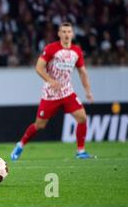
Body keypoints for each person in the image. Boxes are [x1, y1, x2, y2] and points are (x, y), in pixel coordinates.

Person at [10, 22, 94, 161]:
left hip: (67, 92)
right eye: (64, 32)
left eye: (69, 32)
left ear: (72, 34)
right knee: (39, 125)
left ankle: (81, 151)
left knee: (82, 117)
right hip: (50, 94)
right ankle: (20, 145)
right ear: (59, 34)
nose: (67, 34)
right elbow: (38, 68)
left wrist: (88, 91)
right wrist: (50, 80)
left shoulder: (77, 51)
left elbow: (82, 72)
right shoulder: (51, 48)